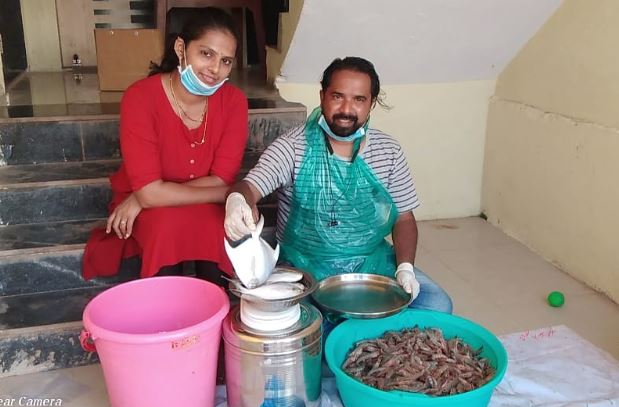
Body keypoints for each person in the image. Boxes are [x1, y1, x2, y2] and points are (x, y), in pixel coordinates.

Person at [223, 56, 452, 313]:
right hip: (306, 268)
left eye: (359, 100)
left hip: (373, 264)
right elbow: (249, 186)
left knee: (437, 304)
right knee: (307, 324)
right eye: (337, 96)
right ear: (322, 97)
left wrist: (405, 268)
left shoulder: (388, 150)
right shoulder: (292, 147)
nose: (346, 109)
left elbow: (404, 218)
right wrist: (237, 201)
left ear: (371, 104)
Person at [83, 7, 248, 285]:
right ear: (181, 48)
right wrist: (146, 196)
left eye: (226, 61)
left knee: (221, 229)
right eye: (206, 54)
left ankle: (216, 315)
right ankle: (166, 318)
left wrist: (146, 196)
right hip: (179, 200)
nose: (215, 70)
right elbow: (155, 192)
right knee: (165, 229)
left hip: (190, 196)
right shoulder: (141, 98)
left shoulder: (233, 101)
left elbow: (222, 179)